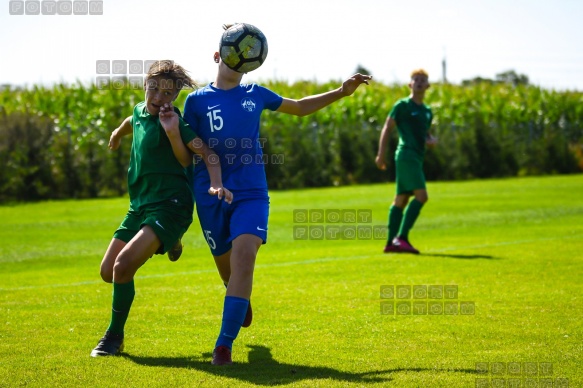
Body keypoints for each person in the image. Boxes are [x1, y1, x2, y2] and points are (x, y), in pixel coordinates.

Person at [182, 23, 372, 366]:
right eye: (230, 56)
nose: (236, 62)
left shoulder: (256, 94)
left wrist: (341, 92)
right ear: (217, 56)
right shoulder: (196, 101)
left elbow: (298, 106)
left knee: (244, 259)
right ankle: (237, 295)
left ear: (252, 63)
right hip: (209, 193)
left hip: (251, 192)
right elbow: (186, 151)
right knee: (228, 272)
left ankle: (223, 345)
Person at [90, 60, 232, 357]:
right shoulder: (139, 112)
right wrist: (117, 134)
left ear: (176, 96)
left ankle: (113, 338)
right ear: (145, 86)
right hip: (139, 207)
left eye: (167, 93)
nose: (157, 97)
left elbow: (201, 155)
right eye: (153, 89)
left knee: (123, 266)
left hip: (171, 206)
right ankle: (172, 241)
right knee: (107, 272)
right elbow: (131, 122)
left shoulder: (175, 122)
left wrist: (215, 182)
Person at [375, 68, 437, 255]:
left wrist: (431, 141)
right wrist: (380, 154)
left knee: (401, 199)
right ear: (410, 84)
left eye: (422, 80)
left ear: (428, 86)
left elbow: (426, 134)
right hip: (406, 155)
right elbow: (387, 128)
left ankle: (390, 244)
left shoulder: (427, 111)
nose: (419, 82)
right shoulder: (402, 106)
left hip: (417, 158)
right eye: (415, 79)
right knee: (421, 196)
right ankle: (401, 238)